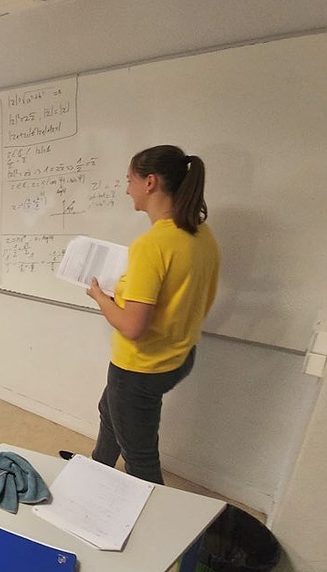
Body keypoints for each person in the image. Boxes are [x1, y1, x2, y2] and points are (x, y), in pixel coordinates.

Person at [85, 145, 220, 484]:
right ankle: (96, 471)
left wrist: (101, 298)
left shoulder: (151, 245)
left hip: (139, 368)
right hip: (179, 357)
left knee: (140, 459)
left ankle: (153, 512)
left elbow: (132, 327)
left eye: (129, 180)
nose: (126, 189)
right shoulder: (201, 235)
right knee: (109, 412)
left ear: (150, 182)